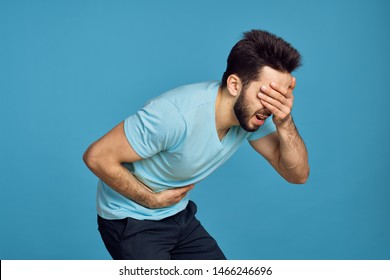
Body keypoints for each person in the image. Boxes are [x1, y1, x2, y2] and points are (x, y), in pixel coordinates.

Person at [83, 29, 310, 260]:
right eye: (266, 95)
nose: (272, 106)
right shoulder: (174, 116)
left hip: (178, 214)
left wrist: (285, 122)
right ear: (234, 85)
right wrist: (151, 199)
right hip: (131, 220)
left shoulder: (252, 117)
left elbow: (297, 175)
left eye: (279, 97)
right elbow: (96, 157)